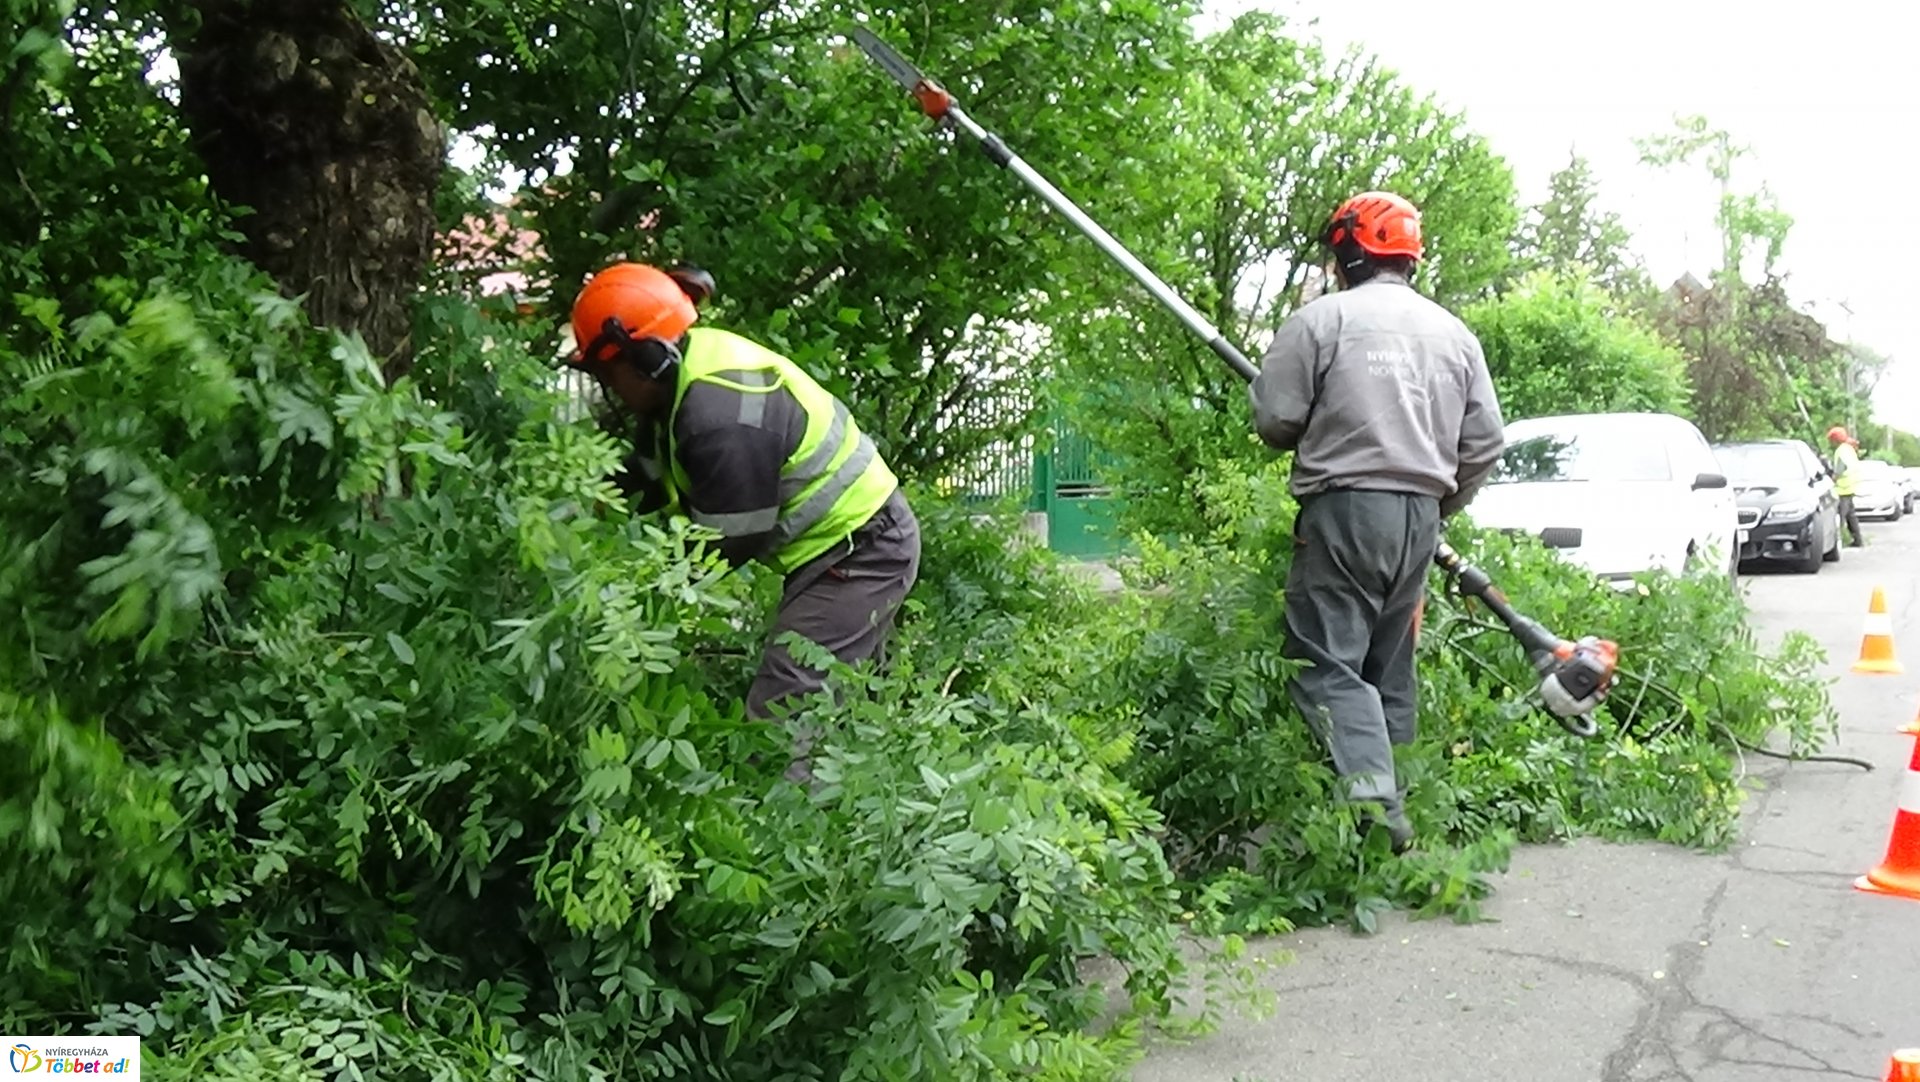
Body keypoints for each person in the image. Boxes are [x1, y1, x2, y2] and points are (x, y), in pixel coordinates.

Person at [567, 261, 922, 778]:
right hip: (846, 544)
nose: (607, 387)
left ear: (641, 357)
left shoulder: (720, 415)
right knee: (848, 708)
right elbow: (644, 476)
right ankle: (866, 809)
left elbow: (732, 539)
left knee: (786, 706)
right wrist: (582, 512)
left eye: (607, 372)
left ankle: (785, 841)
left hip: (863, 549)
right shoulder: (680, 380)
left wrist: (637, 606)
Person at [1247, 191, 1507, 853]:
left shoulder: (1319, 323)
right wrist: (1437, 506)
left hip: (1343, 511)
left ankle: (1375, 811)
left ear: (1348, 250)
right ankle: (1390, 824)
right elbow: (1485, 442)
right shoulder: (1455, 335)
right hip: (1419, 517)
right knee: (1386, 666)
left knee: (1324, 661)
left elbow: (1276, 423)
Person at [1828, 425, 1866, 548]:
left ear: (1835, 439)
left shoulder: (1841, 451)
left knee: (1840, 517)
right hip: (1851, 486)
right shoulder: (1849, 449)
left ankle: (1836, 542)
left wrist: (1832, 479)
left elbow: (1840, 469)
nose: (1831, 443)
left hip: (1843, 488)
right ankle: (1857, 540)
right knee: (1851, 516)